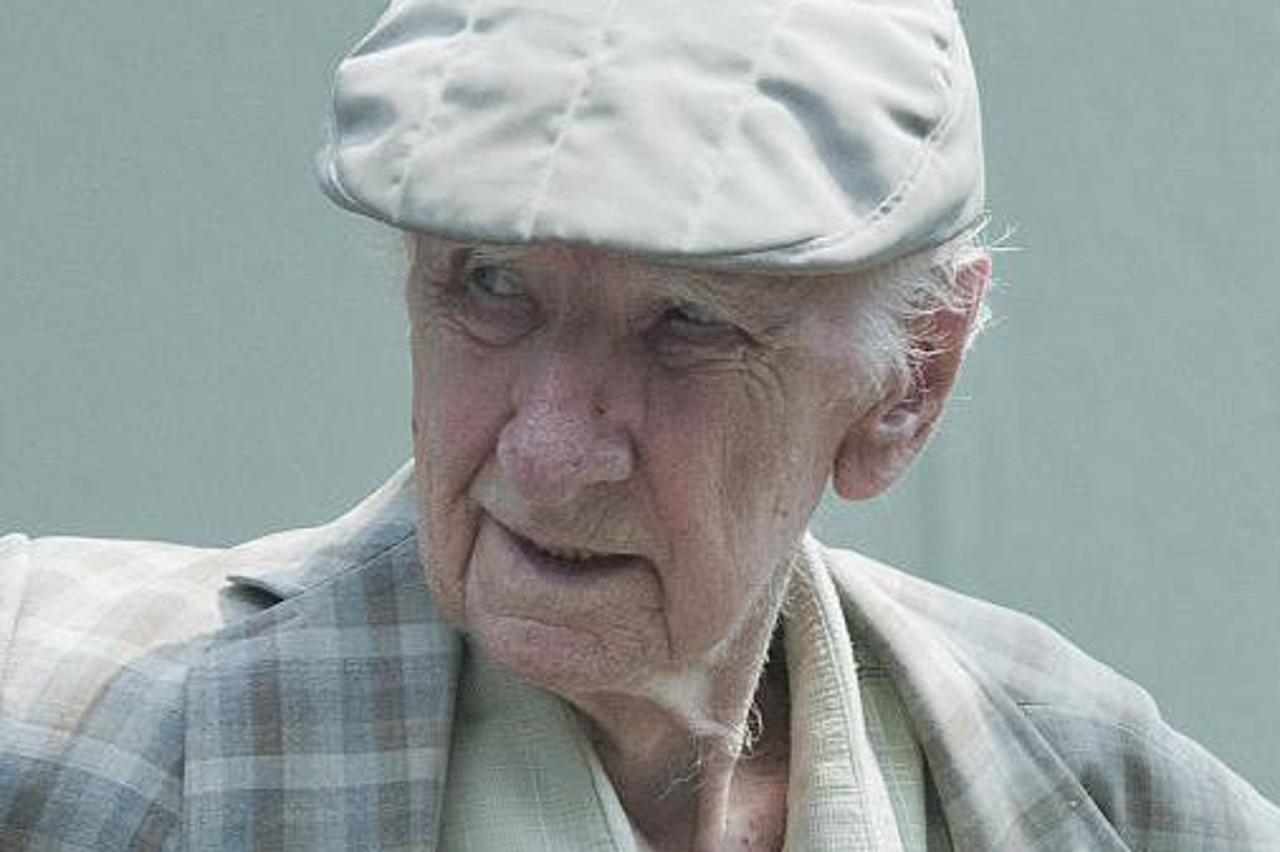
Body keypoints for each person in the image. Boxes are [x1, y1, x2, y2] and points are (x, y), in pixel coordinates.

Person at [2, 0, 1277, 849]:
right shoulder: (45, 714)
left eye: (687, 324)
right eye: (489, 287)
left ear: (911, 380)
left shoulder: (1085, 787)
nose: (549, 454)